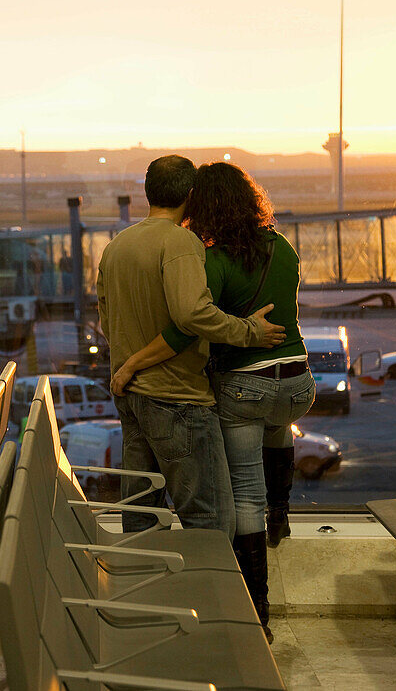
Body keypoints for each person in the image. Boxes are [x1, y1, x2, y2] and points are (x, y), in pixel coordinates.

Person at [110, 162, 314, 643]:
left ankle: (256, 613)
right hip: (298, 383)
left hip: (245, 384)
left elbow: (185, 327)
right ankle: (281, 510)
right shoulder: (283, 247)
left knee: (243, 496)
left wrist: (131, 363)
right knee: (276, 422)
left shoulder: (211, 259)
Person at [96, 155, 286, 541]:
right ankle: (212, 600)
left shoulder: (117, 246)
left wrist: (131, 364)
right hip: (177, 399)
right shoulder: (180, 242)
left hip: (131, 397)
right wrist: (251, 331)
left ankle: (144, 591)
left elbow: (107, 322)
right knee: (211, 521)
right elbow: (191, 315)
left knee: (140, 515)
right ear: (192, 194)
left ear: (148, 193)